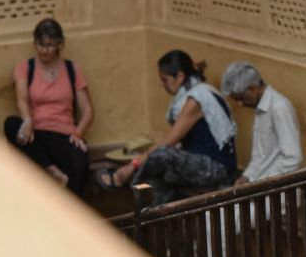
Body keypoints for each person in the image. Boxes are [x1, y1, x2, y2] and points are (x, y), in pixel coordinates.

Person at [101, 50, 237, 205]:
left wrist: (133, 164)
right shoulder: (195, 94)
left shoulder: (197, 99)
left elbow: (169, 141)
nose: (163, 85)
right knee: (154, 178)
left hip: (216, 168)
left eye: (165, 80)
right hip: (196, 162)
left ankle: (123, 178)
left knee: (163, 155)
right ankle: (155, 218)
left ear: (179, 76)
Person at [4, 18, 95, 197]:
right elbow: (21, 98)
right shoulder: (25, 67)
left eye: (50, 45)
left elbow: (88, 111)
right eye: (40, 44)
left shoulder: (71, 69)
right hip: (36, 133)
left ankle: (69, 212)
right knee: (12, 125)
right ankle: (52, 170)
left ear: (60, 45)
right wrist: (28, 120)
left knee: (80, 165)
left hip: (64, 134)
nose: (44, 50)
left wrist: (78, 134)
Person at [220, 62, 302, 185]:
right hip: (259, 184)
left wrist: (264, 181)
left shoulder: (279, 107)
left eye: (241, 98)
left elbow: (293, 158)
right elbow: (260, 155)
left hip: (276, 190)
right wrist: (247, 176)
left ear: (253, 89)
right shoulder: (260, 109)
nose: (240, 104)